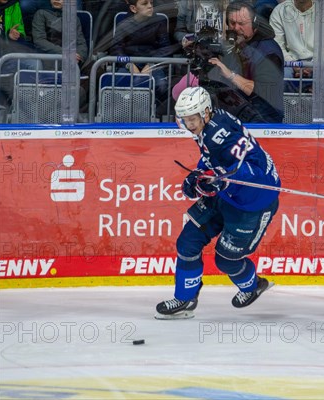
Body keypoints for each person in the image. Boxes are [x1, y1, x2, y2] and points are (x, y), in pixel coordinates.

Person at [155, 86, 281, 319]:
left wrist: (223, 181)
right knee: (188, 242)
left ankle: (253, 286)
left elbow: (251, 172)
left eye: (192, 119)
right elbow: (214, 159)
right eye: (185, 119)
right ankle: (185, 298)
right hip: (228, 194)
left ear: (205, 113)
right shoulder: (212, 120)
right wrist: (200, 174)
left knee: (226, 260)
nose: (189, 124)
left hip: (253, 202)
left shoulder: (219, 136)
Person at [207, 0, 284, 123]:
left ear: (254, 25)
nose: (236, 28)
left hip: (264, 120)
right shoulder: (239, 45)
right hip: (240, 114)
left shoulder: (269, 51)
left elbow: (262, 90)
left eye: (241, 23)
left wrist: (230, 75)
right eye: (232, 23)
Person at [110, 0, 176, 109]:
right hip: (129, 65)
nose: (150, 6)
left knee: (161, 85)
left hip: (153, 65)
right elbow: (116, 49)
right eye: (145, 4)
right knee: (119, 83)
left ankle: (154, 114)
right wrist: (128, 64)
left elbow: (165, 49)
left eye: (151, 3)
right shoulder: (124, 24)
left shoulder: (159, 22)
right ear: (133, 8)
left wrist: (151, 64)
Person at [268, 0, 324, 95]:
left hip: (317, 62)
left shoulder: (323, 12)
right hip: (288, 62)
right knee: (283, 76)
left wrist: (312, 65)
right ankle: (286, 109)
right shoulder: (279, 11)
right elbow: (277, 44)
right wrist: (293, 64)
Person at [31, 0, 88, 67]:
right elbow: (39, 40)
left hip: (71, 63)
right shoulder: (41, 14)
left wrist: (79, 57)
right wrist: (65, 53)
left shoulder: (74, 18)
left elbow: (81, 42)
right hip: (48, 59)